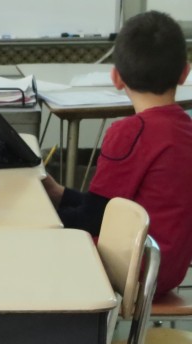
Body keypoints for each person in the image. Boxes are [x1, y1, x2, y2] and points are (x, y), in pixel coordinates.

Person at [42, 10, 192, 298]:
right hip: (168, 268)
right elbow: (112, 206)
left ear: (116, 77)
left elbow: (93, 219)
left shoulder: (130, 133)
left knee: (30, 242)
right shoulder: (185, 130)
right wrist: (61, 194)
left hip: (131, 268)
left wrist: (38, 216)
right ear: (185, 73)